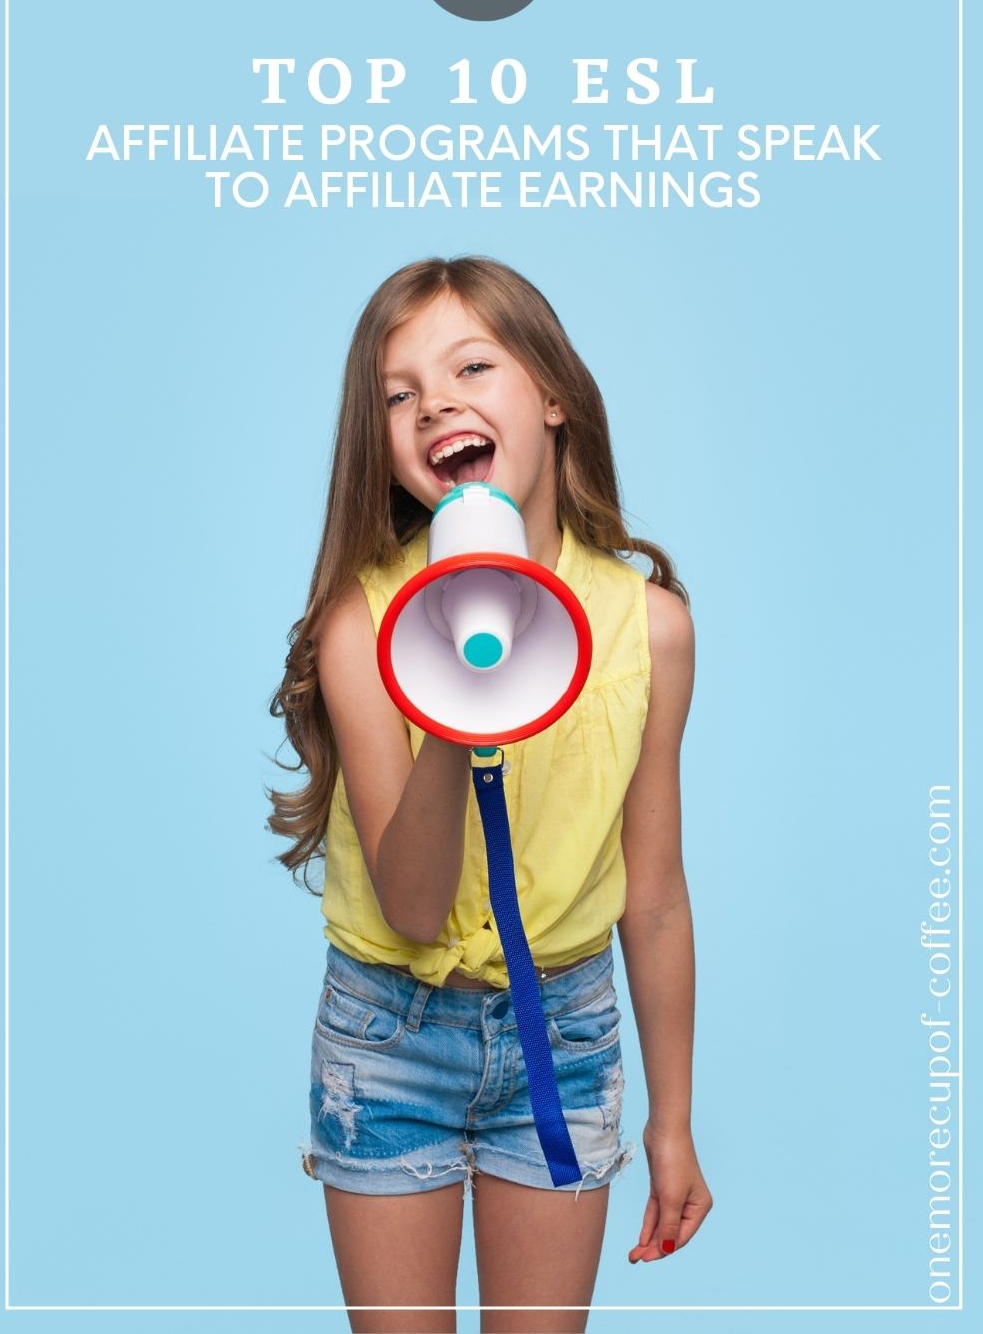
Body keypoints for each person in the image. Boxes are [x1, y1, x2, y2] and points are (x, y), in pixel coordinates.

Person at [266, 255, 712, 1333]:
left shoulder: (648, 629)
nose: (438, 404)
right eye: (398, 393)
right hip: (391, 1034)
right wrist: (463, 707)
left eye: (472, 365)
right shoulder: (361, 631)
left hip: (562, 1031)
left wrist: (672, 1121)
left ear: (552, 395)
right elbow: (415, 906)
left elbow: (651, 897)